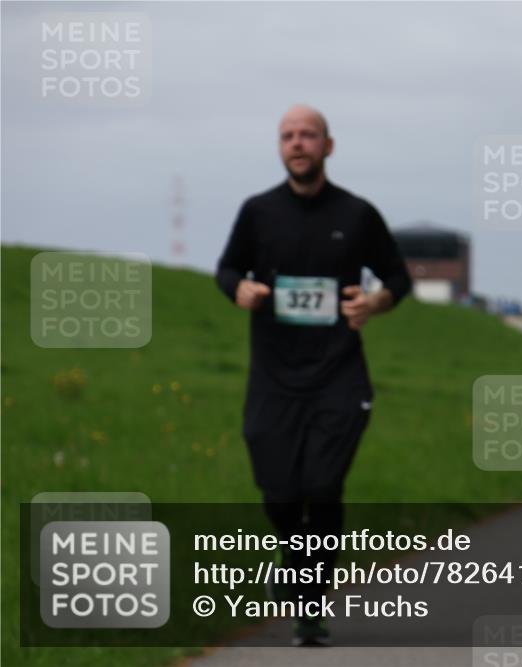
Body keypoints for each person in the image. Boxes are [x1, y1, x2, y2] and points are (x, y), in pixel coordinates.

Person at [215, 105, 412, 645]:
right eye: (287, 136)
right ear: (279, 148)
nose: (297, 143)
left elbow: (398, 275)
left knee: (322, 486)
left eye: (308, 135)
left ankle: (310, 602)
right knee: (280, 494)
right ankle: (294, 556)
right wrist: (240, 289)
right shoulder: (257, 212)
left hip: (338, 374)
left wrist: (375, 302)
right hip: (274, 376)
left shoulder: (357, 214)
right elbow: (227, 268)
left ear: (328, 146)